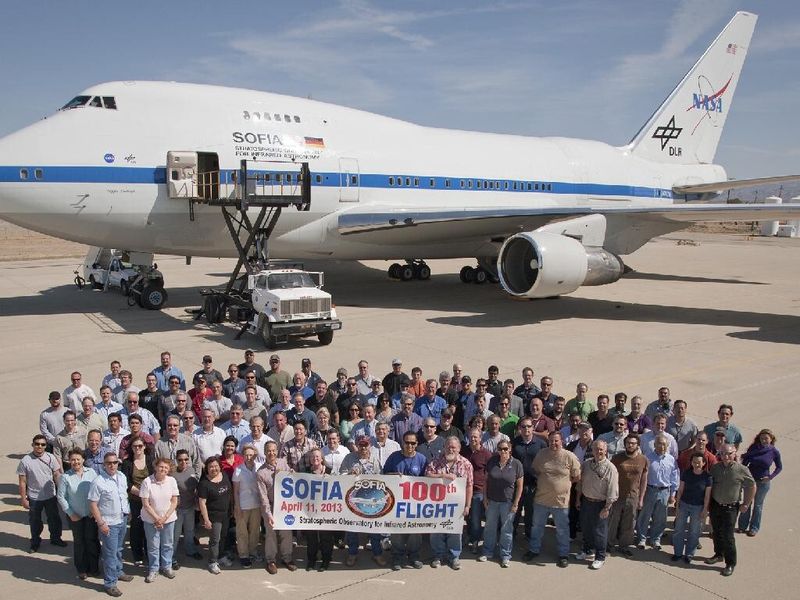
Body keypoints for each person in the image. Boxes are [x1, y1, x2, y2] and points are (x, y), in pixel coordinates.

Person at [525, 431, 581, 568]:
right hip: (541, 499)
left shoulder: (569, 456)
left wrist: (564, 485)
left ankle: (563, 554)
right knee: (537, 527)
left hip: (560, 501)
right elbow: (536, 470)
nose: (553, 443)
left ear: (561, 441)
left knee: (562, 529)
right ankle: (533, 549)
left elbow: (577, 476)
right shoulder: (542, 454)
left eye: (556, 441)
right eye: (551, 441)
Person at [705, 443, 756, 576]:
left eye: (729, 453)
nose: (726, 456)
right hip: (716, 505)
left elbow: (752, 486)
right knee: (716, 532)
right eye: (722, 453)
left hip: (731, 508)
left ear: (734, 454)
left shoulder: (741, 469)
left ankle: (730, 563)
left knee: (728, 536)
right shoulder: (715, 468)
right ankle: (718, 554)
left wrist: (746, 503)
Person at [89, 451, 134, 597]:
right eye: (109, 463)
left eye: (115, 462)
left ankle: (118, 571)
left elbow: (123, 496)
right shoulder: (98, 481)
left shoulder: (121, 476)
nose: (112, 465)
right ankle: (110, 583)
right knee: (109, 554)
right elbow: (93, 504)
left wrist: (128, 512)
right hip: (109, 523)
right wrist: (101, 523)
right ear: (104, 464)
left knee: (119, 549)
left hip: (122, 519)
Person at [384, 430, 429, 570]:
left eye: (412, 443)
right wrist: (393, 475)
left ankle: (414, 556)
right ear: (402, 443)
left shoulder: (422, 459)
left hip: (415, 503)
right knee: (397, 531)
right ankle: (397, 556)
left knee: (415, 531)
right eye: (406, 442)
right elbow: (383, 476)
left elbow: (428, 481)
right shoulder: (393, 457)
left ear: (416, 444)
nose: (409, 445)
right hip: (396, 502)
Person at [426, 437, 473, 570]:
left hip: (456, 506)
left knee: (455, 531)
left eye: (453, 447)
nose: (450, 449)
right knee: (437, 531)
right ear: (444, 447)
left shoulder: (466, 464)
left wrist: (467, 505)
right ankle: (438, 556)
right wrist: (443, 476)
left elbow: (469, 486)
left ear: (459, 449)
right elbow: (427, 476)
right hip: (437, 505)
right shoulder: (436, 461)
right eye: (448, 446)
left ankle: (454, 557)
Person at [575, 440, 618, 570]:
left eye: (601, 449)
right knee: (586, 528)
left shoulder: (610, 468)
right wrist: (578, 499)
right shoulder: (587, 464)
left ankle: (600, 557)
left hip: (601, 504)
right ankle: (587, 550)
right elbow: (580, 484)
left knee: (600, 532)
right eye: (596, 449)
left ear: (605, 451)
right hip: (587, 501)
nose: (598, 452)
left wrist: (607, 507)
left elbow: (613, 489)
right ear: (592, 450)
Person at [57, 448, 100, 579]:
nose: (75, 462)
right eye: (73, 459)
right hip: (75, 516)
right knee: (80, 542)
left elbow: (98, 491)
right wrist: (70, 513)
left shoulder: (91, 472)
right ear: (69, 461)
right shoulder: (65, 477)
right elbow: (61, 497)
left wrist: (96, 510)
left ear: (83, 460)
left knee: (92, 541)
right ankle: (81, 569)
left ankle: (94, 568)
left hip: (91, 515)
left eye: (78, 459)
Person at [18, 434, 64, 553]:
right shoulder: (25, 461)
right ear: (32, 445)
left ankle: (56, 538)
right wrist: (23, 499)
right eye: (37, 444)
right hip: (34, 497)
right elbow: (22, 481)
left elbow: (56, 475)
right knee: (35, 521)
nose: (40, 446)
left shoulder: (51, 458)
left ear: (45, 446)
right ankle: (35, 542)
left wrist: (61, 492)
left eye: (43, 444)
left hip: (50, 495)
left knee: (54, 518)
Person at [479, 441, 523, 567]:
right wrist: (485, 498)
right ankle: (487, 552)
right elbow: (485, 481)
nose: (503, 451)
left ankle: (505, 555)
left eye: (505, 449)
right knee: (489, 528)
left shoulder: (516, 464)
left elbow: (519, 486)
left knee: (507, 530)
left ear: (510, 449)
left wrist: (516, 503)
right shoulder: (492, 461)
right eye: (500, 449)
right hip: (492, 501)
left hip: (508, 503)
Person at [257, 441, 296, 574]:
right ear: (265, 452)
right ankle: (271, 560)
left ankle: (287, 558)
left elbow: (293, 476)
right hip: (271, 505)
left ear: (277, 450)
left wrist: (287, 472)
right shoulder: (261, 472)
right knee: (271, 534)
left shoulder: (283, 463)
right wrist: (268, 514)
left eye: (274, 450)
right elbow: (263, 497)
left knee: (286, 533)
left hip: (285, 506)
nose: (271, 453)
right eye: (269, 451)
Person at [636, 434, 679, 550]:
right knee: (645, 516)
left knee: (660, 518)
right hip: (649, 490)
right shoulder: (647, 458)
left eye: (664, 444)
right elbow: (641, 477)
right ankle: (642, 538)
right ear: (654, 445)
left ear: (667, 445)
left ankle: (655, 539)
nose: (662, 446)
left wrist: (672, 494)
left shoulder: (671, 460)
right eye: (659, 443)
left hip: (664, 491)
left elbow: (674, 477)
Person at [139, 457, 179, 582]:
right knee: (153, 546)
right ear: (155, 467)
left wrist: (165, 517)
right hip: (151, 520)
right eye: (161, 466)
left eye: (166, 468)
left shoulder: (172, 481)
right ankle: (154, 569)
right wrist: (157, 518)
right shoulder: (147, 481)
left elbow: (174, 501)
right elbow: (146, 504)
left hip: (169, 519)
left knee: (167, 544)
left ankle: (166, 566)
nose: (163, 469)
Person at [609, 434, 648, 556]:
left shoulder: (643, 460)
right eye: (628, 443)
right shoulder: (616, 458)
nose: (630, 445)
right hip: (617, 496)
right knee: (613, 521)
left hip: (633, 497)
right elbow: (610, 477)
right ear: (625, 444)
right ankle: (609, 544)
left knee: (629, 522)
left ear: (637, 445)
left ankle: (624, 546)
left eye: (633, 443)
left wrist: (641, 499)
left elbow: (644, 480)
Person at [738, 428, 782, 536]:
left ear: (771, 439)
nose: (764, 440)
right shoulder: (754, 448)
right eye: (762, 438)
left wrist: (770, 477)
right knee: (747, 503)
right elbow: (745, 461)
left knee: (758, 505)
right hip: (750, 481)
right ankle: (742, 526)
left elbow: (779, 467)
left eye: (766, 438)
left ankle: (754, 528)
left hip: (763, 483)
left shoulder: (774, 452)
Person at [511, 416, 547, 541]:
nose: (526, 429)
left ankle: (529, 535)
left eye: (529, 426)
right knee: (515, 511)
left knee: (531, 513)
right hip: (517, 484)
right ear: (520, 429)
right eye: (523, 426)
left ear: (533, 428)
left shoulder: (541, 443)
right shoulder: (515, 443)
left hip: (534, 485)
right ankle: (512, 534)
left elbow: (545, 463)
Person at [672, 452, 711, 563]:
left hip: (698, 507)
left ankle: (689, 554)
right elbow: (680, 490)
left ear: (703, 463)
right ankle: (677, 553)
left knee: (694, 532)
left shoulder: (707, 477)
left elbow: (707, 495)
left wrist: (705, 510)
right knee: (679, 530)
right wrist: (677, 505)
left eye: (699, 462)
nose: (696, 464)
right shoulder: (686, 473)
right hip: (684, 504)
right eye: (694, 462)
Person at [120, 436, 154, 566]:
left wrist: (147, 495)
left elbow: (154, 477)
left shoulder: (150, 460)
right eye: (135, 446)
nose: (138, 448)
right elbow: (126, 482)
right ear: (131, 448)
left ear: (145, 446)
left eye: (140, 446)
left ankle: (149, 551)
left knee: (149, 526)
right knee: (136, 526)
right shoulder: (127, 463)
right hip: (135, 499)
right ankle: (137, 554)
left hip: (151, 499)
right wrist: (141, 494)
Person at [198, 456, 233, 574]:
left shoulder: (224, 476)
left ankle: (221, 556)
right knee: (215, 539)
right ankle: (212, 561)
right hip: (214, 517)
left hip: (226, 514)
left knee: (223, 537)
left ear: (220, 466)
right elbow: (202, 503)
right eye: (211, 467)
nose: (214, 469)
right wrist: (206, 519)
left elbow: (230, 493)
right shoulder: (204, 483)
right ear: (206, 469)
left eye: (216, 466)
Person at [304, 448, 335, 571]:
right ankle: (311, 560)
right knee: (311, 537)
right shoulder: (305, 473)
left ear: (322, 458)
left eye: (317, 457)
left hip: (326, 510)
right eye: (312, 457)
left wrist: (331, 479)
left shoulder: (330, 471)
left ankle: (326, 560)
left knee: (326, 537)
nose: (315, 459)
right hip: (310, 511)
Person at [462, 428, 492, 553]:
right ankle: (469, 536)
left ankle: (475, 540)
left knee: (475, 518)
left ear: (480, 438)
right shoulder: (464, 451)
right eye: (471, 436)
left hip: (478, 490)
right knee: (466, 517)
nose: (473, 439)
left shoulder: (486, 454)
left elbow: (489, 473)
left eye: (476, 437)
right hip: (462, 488)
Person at [232, 444, 262, 567]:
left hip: (256, 504)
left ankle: (253, 552)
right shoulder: (238, 470)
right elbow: (236, 491)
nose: (249, 457)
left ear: (255, 455)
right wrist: (237, 506)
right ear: (242, 456)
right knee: (242, 532)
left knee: (255, 531)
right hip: (243, 505)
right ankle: (243, 555)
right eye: (246, 455)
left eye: (251, 455)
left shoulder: (259, 467)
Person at [172, 449, 202, 566]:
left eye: (186, 459)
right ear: (176, 460)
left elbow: (195, 488)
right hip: (177, 509)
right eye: (180, 460)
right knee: (175, 534)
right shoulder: (172, 473)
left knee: (190, 531)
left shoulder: (191, 470)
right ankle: (171, 557)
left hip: (190, 507)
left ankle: (190, 550)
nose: (183, 462)